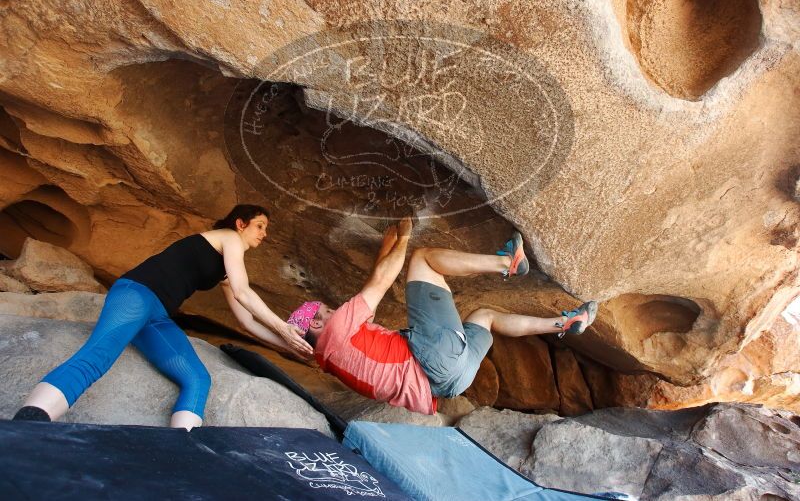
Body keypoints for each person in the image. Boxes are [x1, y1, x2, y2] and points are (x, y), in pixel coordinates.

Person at [12, 204, 313, 430]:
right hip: (137, 294)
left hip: (157, 316)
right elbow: (244, 291)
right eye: (260, 226)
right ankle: (27, 424)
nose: (264, 234)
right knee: (97, 357)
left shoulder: (224, 267)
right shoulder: (229, 237)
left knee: (197, 378)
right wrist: (284, 328)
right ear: (240, 223)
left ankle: (178, 448)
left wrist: (287, 345)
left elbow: (246, 321)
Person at [284, 217, 598, 415]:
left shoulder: (332, 357)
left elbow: (373, 289)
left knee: (485, 316)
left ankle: (564, 323)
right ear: (314, 322)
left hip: (452, 383)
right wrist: (405, 238)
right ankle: (507, 263)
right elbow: (379, 283)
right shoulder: (337, 328)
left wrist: (386, 245)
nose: (334, 310)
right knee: (422, 259)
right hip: (433, 358)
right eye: (327, 310)